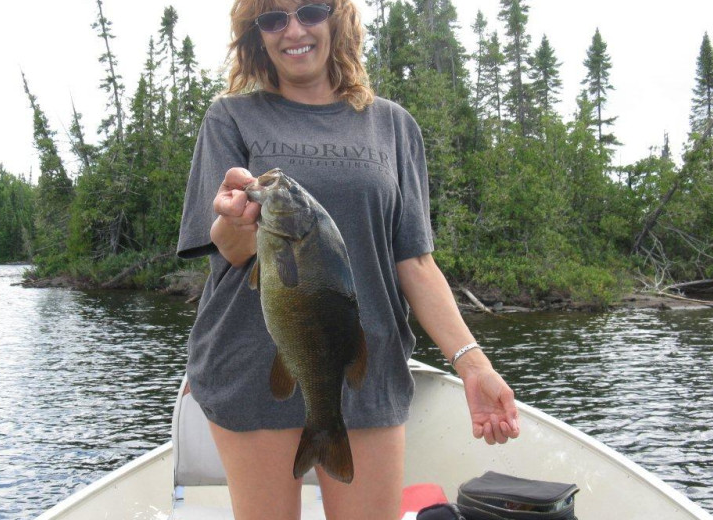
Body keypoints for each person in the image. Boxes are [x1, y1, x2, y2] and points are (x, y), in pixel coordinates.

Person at [176, 1, 520, 518]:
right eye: (273, 19)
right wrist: (234, 220)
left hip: (366, 364)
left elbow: (416, 264)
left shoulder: (394, 126)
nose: (293, 30)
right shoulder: (230, 116)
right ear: (258, 35)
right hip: (248, 364)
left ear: (339, 18)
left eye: (309, 10)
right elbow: (232, 248)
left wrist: (474, 365)